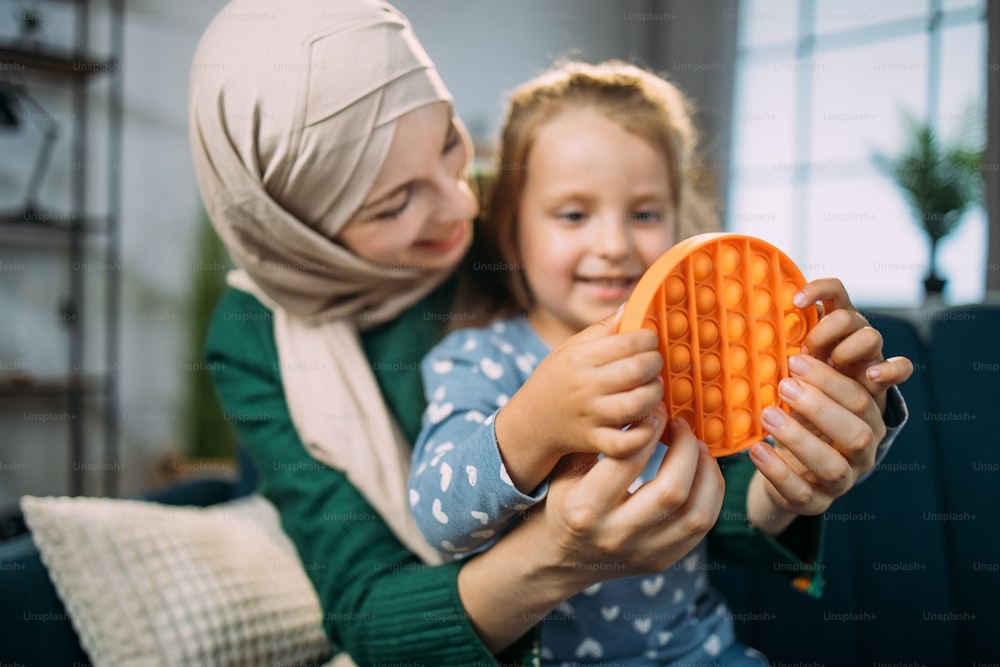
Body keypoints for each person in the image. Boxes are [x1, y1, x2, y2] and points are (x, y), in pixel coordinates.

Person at [190, 1, 912, 665]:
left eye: (449, 142)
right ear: (299, 229)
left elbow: (718, 475)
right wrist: (541, 457)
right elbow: (382, 587)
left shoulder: (617, 297)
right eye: (393, 204)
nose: (459, 204)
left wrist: (799, 459)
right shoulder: (460, 349)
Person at [408, 61, 911, 666]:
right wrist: (534, 423)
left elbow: (749, 493)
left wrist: (827, 426)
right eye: (573, 214)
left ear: (678, 221)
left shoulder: (702, 355)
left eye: (645, 213)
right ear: (513, 234)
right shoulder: (482, 356)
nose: (615, 244)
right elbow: (438, 521)